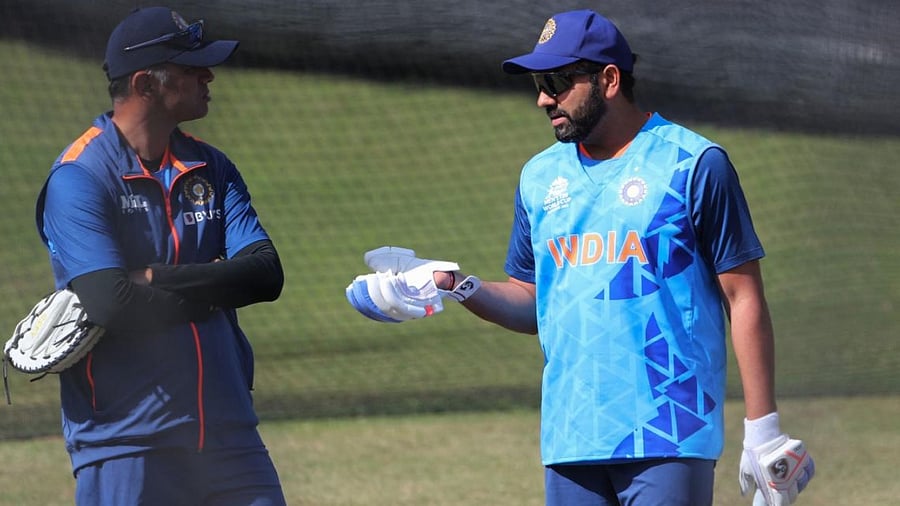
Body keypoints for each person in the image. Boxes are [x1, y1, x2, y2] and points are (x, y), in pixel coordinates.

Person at [357, 9, 815, 506]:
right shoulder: (538, 177)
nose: (542, 98)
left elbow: (743, 296)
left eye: (556, 81)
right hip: (570, 435)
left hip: (670, 432)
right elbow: (534, 300)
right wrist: (455, 284)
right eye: (538, 82)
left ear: (609, 79)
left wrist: (763, 427)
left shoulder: (695, 165)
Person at [35, 6, 286, 505]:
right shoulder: (79, 177)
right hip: (126, 438)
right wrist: (213, 288)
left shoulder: (210, 166)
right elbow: (112, 302)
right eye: (193, 69)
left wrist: (153, 277)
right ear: (146, 84)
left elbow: (264, 274)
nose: (209, 76)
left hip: (227, 431)